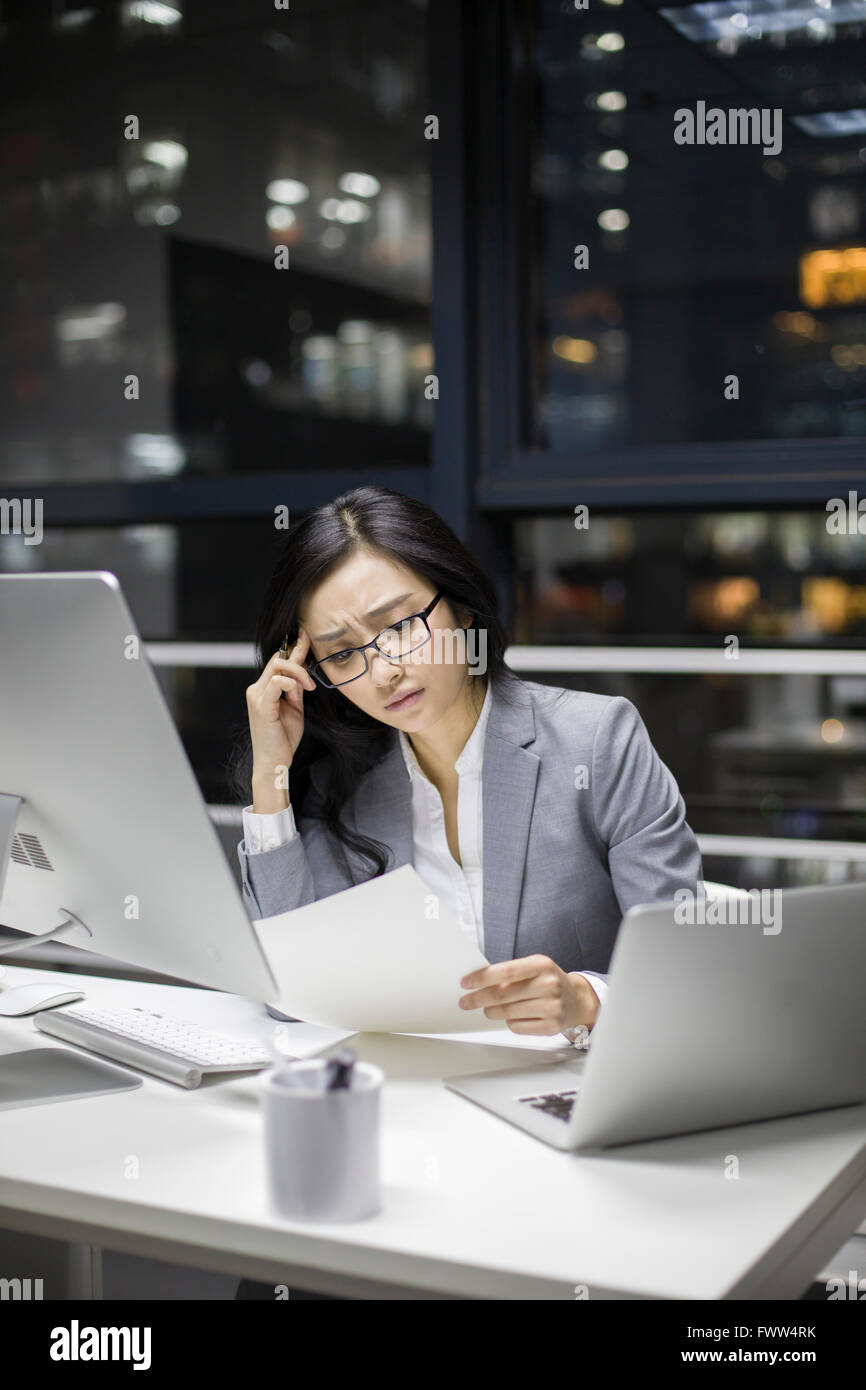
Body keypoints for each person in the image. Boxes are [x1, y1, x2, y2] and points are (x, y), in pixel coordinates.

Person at [230, 484, 702, 1299]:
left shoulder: (597, 740)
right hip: (413, 1132)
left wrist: (584, 1000)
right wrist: (272, 775)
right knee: (283, 1268)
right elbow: (291, 995)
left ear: (462, 607)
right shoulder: (350, 784)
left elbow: (695, 982)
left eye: (400, 624)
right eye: (341, 652)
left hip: (565, 1135)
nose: (383, 668)